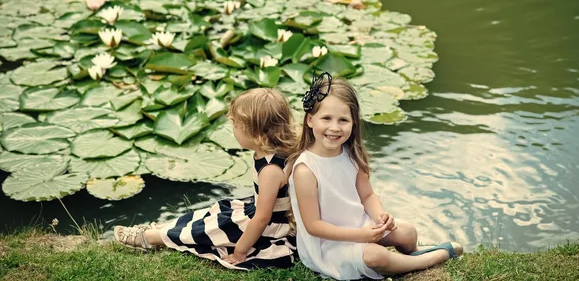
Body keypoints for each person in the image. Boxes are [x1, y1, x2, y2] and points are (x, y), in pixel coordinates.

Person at [288, 72, 463, 280]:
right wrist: (360, 236)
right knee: (375, 256)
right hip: (329, 245)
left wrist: (381, 216)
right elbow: (314, 226)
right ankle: (426, 261)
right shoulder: (306, 169)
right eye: (326, 118)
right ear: (310, 120)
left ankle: (413, 252)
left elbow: (367, 196)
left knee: (407, 231)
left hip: (360, 227)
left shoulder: (351, 155)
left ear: (353, 123)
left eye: (343, 120)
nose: (334, 127)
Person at [114, 88, 297, 270]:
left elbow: (262, 218)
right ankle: (163, 229)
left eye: (236, 125)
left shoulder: (270, 170)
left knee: (213, 229)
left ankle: (151, 238)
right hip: (255, 210)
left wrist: (240, 251)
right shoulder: (275, 151)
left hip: (268, 228)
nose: (233, 129)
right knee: (215, 213)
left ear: (256, 134)